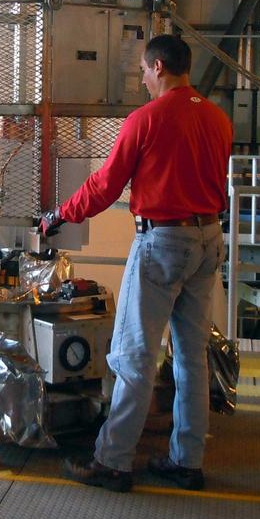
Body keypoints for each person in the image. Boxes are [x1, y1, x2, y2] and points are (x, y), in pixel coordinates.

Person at [39, 34, 232, 493]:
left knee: (134, 355)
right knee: (189, 356)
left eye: (145, 71)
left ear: (160, 66)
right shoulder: (217, 118)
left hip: (163, 243)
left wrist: (60, 215)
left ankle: (114, 459)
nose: (142, 79)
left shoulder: (145, 120)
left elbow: (105, 186)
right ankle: (187, 460)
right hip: (208, 241)